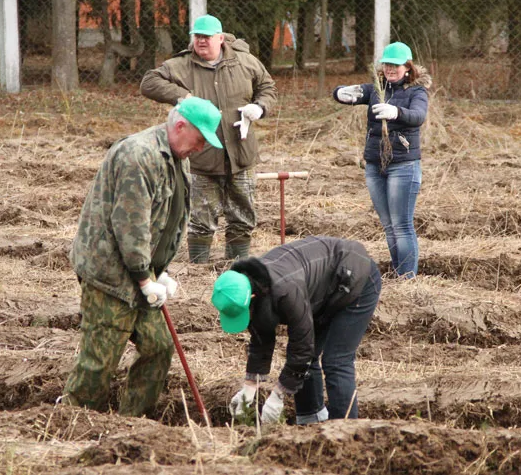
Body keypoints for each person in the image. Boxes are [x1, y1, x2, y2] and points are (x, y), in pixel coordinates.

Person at [61, 97, 223, 417]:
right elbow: (130, 226)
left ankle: (134, 422)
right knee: (100, 361)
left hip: (140, 271)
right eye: (200, 139)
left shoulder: (178, 157)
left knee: (158, 347)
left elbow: (165, 217)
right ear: (180, 126)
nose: (201, 148)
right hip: (111, 274)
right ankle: (72, 422)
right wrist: (145, 278)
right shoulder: (139, 156)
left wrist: (158, 271)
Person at [140, 14, 278, 264]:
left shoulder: (245, 61)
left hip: (241, 152)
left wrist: (260, 107)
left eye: (206, 37)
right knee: (201, 218)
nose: (201, 41)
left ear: (221, 38)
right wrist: (183, 96)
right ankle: (199, 269)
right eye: (197, 37)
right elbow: (148, 83)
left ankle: (237, 266)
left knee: (243, 215)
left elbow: (268, 87)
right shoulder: (181, 65)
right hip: (201, 156)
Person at [211, 236, 381, 425]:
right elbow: (261, 338)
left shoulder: (285, 290)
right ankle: (311, 421)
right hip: (323, 288)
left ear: (252, 296)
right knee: (310, 357)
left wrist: (278, 394)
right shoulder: (250, 286)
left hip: (354, 277)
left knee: (336, 361)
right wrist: (250, 386)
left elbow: (302, 345)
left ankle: (346, 432)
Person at [333, 41, 431, 278]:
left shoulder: (417, 91)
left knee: (402, 225)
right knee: (389, 226)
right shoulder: (376, 88)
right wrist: (340, 93)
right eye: (387, 64)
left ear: (407, 68)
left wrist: (397, 112)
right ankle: (399, 272)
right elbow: (346, 92)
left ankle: (407, 279)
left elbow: (418, 115)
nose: (390, 69)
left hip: (403, 165)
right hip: (375, 165)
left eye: (395, 65)